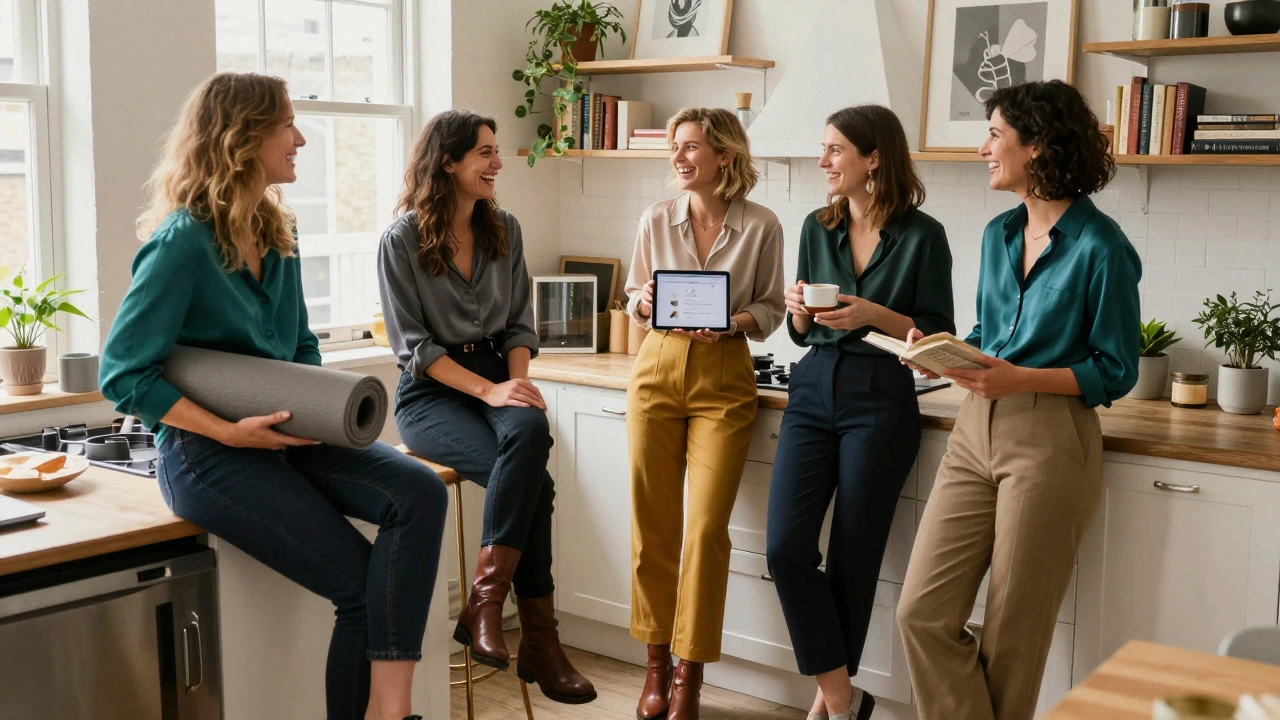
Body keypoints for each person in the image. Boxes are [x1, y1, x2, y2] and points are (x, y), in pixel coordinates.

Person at [99, 72, 447, 720]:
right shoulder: (182, 243)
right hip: (210, 454)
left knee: (421, 491)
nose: (301, 139)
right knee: (357, 584)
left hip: (290, 436)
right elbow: (123, 372)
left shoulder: (278, 233)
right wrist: (229, 431)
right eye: (287, 124)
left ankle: (388, 709)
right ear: (243, 135)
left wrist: (325, 414)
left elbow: (300, 348)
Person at [896, 80, 1140, 720]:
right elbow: (991, 334)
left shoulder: (1102, 247)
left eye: (995, 135)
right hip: (975, 430)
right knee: (920, 611)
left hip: (1052, 440)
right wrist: (946, 348)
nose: (983, 148)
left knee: (1013, 634)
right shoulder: (998, 234)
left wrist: (1020, 378)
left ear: (1035, 146)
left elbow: (1115, 371)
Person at [379, 109, 595, 705]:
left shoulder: (507, 229)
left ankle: (484, 604)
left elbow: (521, 324)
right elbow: (414, 349)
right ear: (447, 162)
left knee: (529, 430)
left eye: (496, 151)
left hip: (500, 374)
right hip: (432, 395)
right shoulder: (401, 240)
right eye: (485, 152)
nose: (498, 163)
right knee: (537, 488)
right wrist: (488, 391)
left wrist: (514, 386)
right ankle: (541, 644)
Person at [765, 105, 955, 720]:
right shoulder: (816, 228)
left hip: (882, 392)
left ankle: (829, 707)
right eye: (824, 150)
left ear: (873, 158)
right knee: (786, 548)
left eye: (834, 150)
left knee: (855, 556)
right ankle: (845, 697)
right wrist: (798, 308)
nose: (823, 161)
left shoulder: (924, 236)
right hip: (814, 387)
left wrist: (872, 314)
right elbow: (798, 331)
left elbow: (937, 336)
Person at [624, 107, 786, 720]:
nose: (680, 158)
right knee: (652, 530)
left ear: (724, 154)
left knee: (705, 532)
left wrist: (732, 320)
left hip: (725, 374)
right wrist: (641, 300)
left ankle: (690, 677)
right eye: (675, 147)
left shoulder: (762, 226)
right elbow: (638, 299)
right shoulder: (654, 220)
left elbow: (770, 308)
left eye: (691, 146)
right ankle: (655, 667)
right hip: (657, 368)